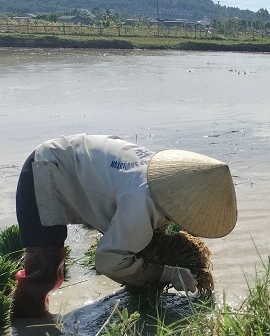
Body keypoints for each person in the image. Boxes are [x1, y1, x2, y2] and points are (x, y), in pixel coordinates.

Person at [13, 134, 238, 318]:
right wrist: (167, 273)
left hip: (69, 159)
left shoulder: (164, 177)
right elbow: (107, 261)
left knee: (143, 245)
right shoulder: (141, 200)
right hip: (44, 170)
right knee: (45, 269)